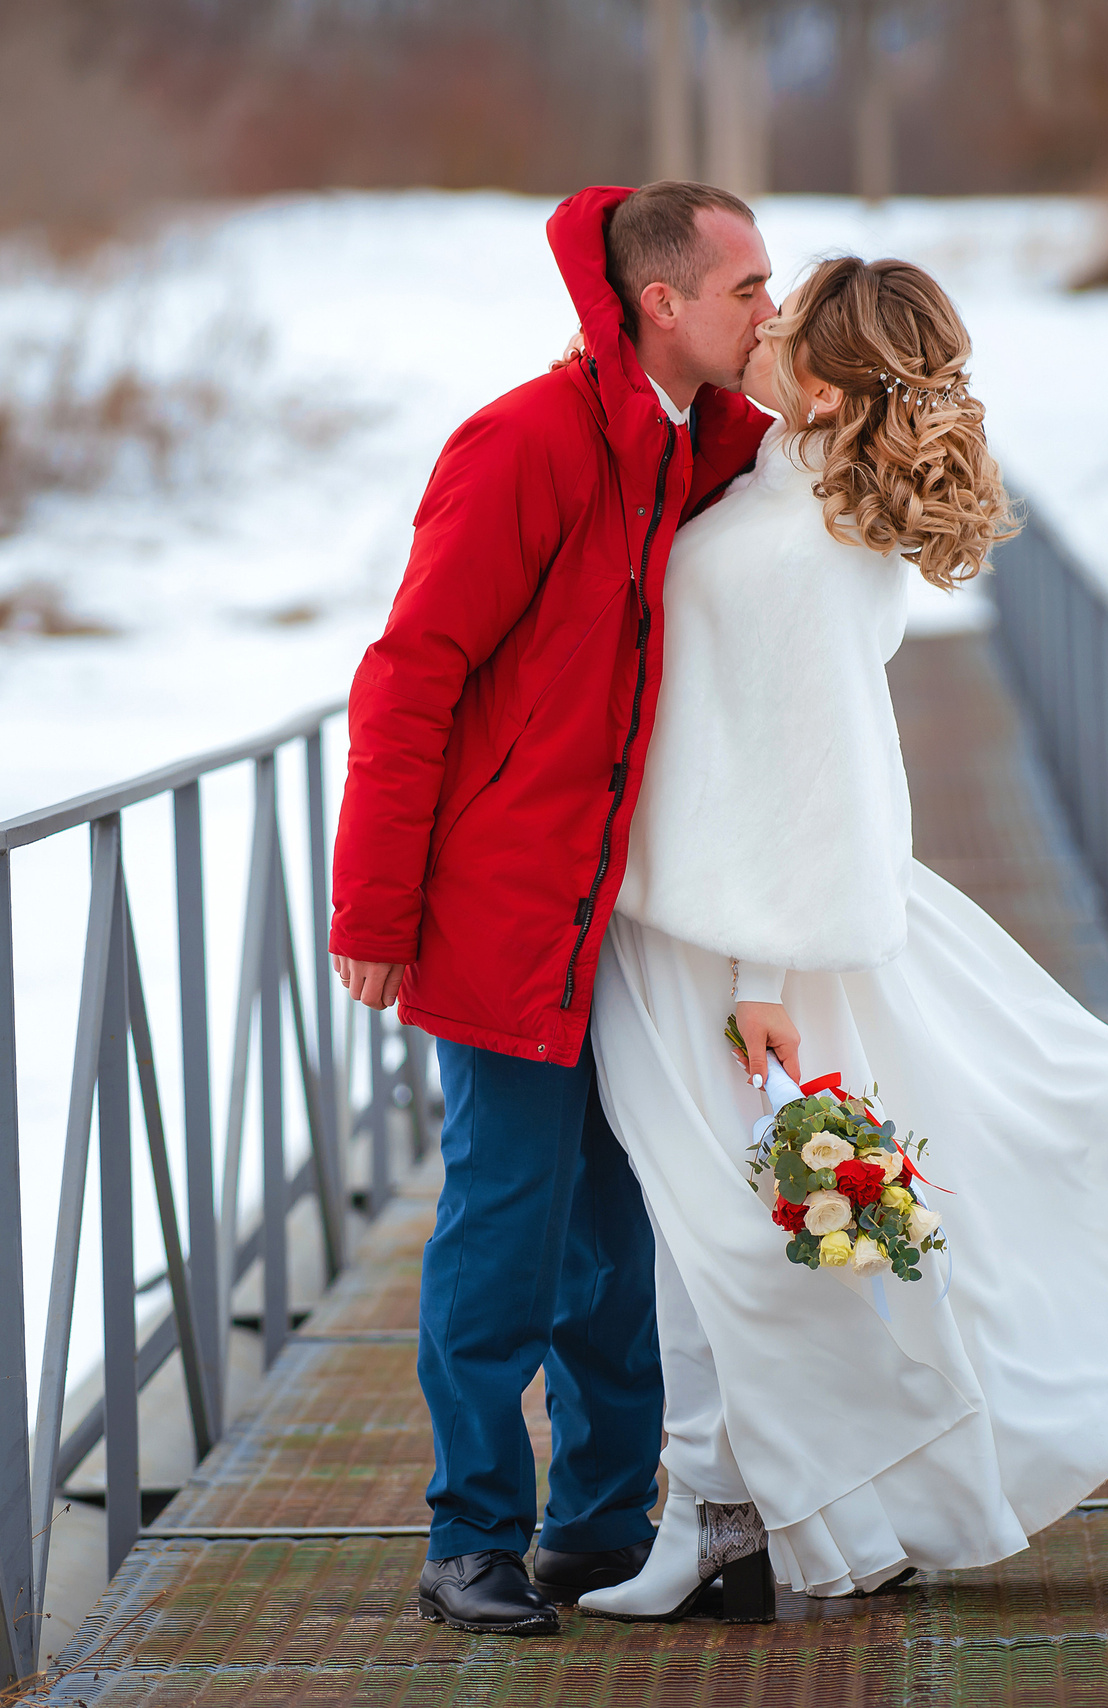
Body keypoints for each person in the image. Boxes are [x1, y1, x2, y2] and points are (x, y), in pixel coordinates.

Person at [570, 256, 1108, 1621]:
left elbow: (803, 773)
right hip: (711, 922)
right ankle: (786, 1512)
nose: (757, 324)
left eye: (784, 318)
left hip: (734, 950)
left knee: (734, 1243)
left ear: (820, 386)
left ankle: (728, 1517)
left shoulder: (793, 551)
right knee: (746, 1238)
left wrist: (762, 979)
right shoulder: (795, 501)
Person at [327, 181, 776, 1635]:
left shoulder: (708, 447)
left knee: (619, 1238)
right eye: (751, 288)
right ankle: (471, 1537)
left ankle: (595, 1527)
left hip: (636, 921)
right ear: (664, 300)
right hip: (505, 915)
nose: (770, 311)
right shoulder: (523, 442)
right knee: (504, 1235)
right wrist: (376, 908)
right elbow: (410, 676)